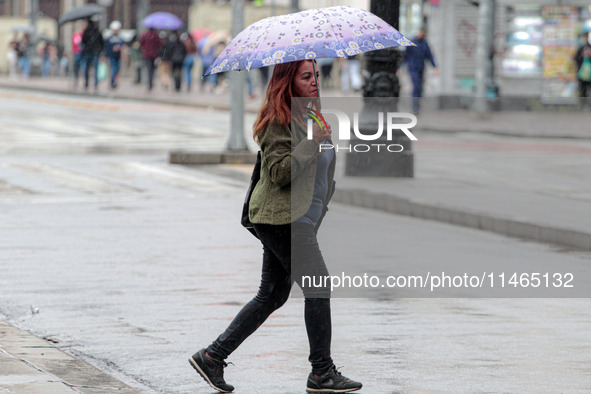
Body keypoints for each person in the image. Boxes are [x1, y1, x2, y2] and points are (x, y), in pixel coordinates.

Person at [188, 60, 363, 394]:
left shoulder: (310, 114)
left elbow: (322, 168)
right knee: (317, 284)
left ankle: (212, 356)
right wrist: (312, 142)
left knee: (272, 295)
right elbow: (281, 173)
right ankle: (321, 372)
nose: (315, 82)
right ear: (288, 81)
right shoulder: (276, 120)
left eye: (316, 76)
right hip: (281, 218)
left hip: (299, 218)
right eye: (306, 77)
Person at [403, 28, 438, 114]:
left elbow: (429, 55)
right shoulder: (411, 43)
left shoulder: (424, 43)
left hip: (421, 68)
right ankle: (415, 106)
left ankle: (417, 103)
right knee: (416, 85)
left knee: (420, 87)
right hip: (412, 68)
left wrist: (435, 67)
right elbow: (405, 56)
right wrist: (399, 66)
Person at [80, 18, 104, 91]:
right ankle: (95, 83)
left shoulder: (86, 31)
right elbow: (102, 42)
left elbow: (83, 41)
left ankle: (86, 82)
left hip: (88, 51)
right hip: (95, 52)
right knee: (95, 68)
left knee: (87, 68)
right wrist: (100, 50)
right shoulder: (97, 31)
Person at [105, 20, 125, 89]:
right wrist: (106, 55)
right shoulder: (110, 38)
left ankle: (114, 81)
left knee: (117, 69)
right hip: (112, 56)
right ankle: (113, 82)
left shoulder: (120, 38)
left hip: (118, 56)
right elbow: (107, 47)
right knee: (114, 69)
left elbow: (123, 46)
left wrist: (121, 51)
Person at [574, 32, 591, 104]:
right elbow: (575, 58)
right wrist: (581, 55)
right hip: (582, 74)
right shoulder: (580, 48)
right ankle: (583, 103)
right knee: (583, 89)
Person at [72, 22, 85, 86]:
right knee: (76, 66)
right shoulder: (74, 35)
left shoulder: (82, 35)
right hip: (76, 52)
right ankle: (76, 79)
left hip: (82, 52)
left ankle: (84, 78)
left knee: (83, 65)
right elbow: (73, 44)